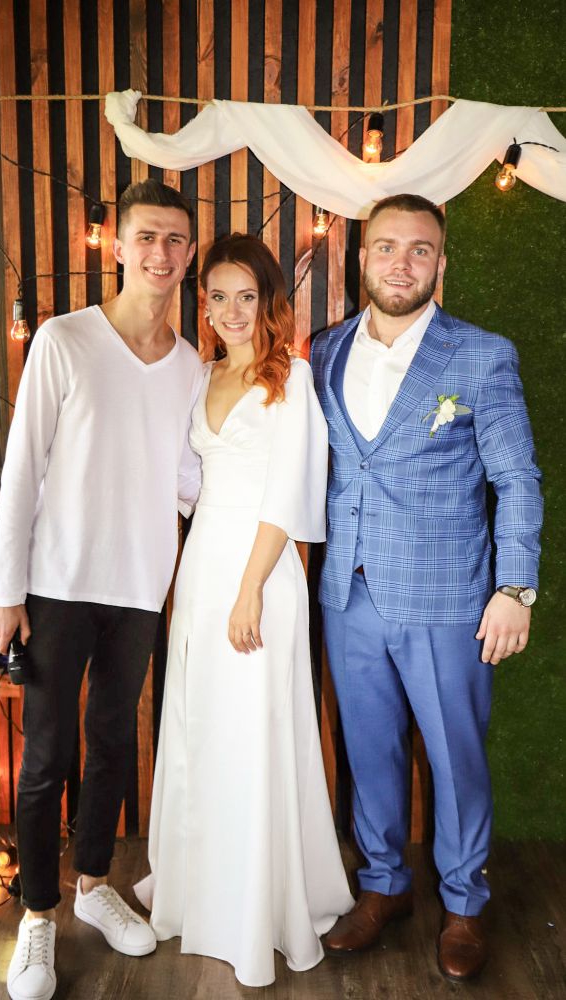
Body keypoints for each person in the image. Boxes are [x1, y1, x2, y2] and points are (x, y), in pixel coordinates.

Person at [312, 193, 543, 981]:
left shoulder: (480, 355)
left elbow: (516, 479)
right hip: (347, 594)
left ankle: (464, 903)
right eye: (385, 247)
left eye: (419, 250)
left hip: (448, 601)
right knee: (367, 751)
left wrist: (514, 588)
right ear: (361, 258)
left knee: (454, 759)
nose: (400, 263)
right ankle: (382, 886)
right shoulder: (324, 351)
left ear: (439, 263)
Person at [0, 178, 204, 1000]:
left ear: (189, 252)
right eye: (146, 236)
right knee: (47, 756)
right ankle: (38, 916)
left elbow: (187, 481)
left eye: (174, 239)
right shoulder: (63, 340)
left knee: (113, 743)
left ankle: (92, 885)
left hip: (141, 585)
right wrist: (6, 588)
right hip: (57, 582)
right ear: (117, 246)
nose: (160, 253)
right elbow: (22, 468)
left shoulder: (190, 365)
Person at [134, 233, 353, 987]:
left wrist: (250, 588)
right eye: (219, 297)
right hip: (202, 568)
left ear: (268, 303)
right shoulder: (201, 376)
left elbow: (290, 492)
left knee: (255, 729)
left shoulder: (289, 378)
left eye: (246, 297)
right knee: (202, 724)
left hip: (260, 571)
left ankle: (261, 905)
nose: (232, 311)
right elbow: (186, 484)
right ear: (204, 304)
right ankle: (204, 891)